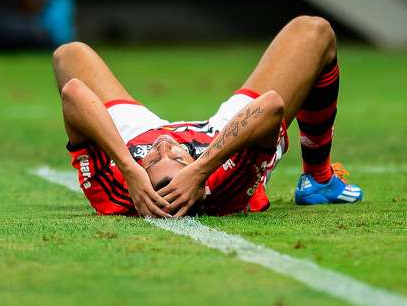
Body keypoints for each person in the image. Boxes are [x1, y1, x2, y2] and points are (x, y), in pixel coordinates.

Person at [52, 16, 363, 218]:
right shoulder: (224, 182)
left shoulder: (121, 189)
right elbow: (271, 106)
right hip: (222, 137)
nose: (164, 144)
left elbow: (73, 93)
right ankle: (319, 179)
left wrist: (129, 166)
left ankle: (151, 159)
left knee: (68, 54)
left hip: (132, 136)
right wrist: (201, 168)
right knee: (315, 31)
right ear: (197, 183)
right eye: (174, 156)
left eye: (151, 157)